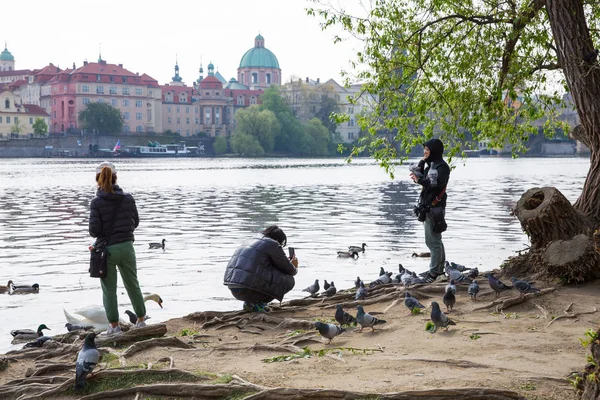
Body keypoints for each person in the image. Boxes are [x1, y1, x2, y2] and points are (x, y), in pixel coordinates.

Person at [89, 162, 146, 334]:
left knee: (109, 290)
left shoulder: (96, 202)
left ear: (98, 180)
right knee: (133, 285)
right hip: (127, 247)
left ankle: (114, 327)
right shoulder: (128, 198)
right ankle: (142, 321)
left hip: (108, 251)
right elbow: (135, 222)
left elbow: (94, 231)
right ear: (115, 177)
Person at [224, 225, 299, 312]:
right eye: (282, 245)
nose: (281, 247)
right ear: (278, 240)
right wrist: (294, 265)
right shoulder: (273, 244)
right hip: (247, 290)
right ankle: (258, 304)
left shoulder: (250, 240)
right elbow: (290, 270)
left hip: (234, 288)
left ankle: (250, 303)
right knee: (289, 280)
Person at [409, 138, 450, 283]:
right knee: (435, 241)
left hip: (435, 208)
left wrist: (419, 181)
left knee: (432, 242)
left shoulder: (442, 168)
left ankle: (434, 273)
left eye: (427, 149)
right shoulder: (429, 166)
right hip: (427, 207)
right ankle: (438, 270)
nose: (425, 152)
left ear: (434, 150)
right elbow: (418, 172)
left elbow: (435, 185)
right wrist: (422, 161)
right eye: (424, 149)